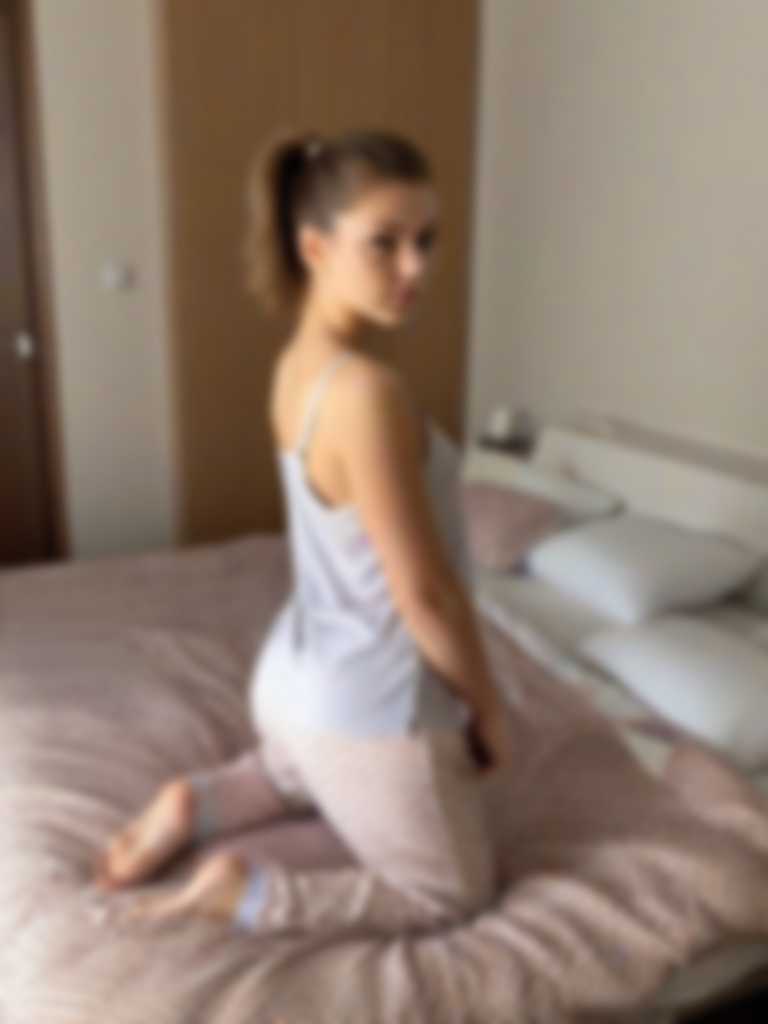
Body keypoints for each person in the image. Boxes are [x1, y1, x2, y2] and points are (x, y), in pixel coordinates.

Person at [92, 127, 515, 936]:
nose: (415, 268)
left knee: (300, 774)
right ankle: (240, 891)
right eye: (384, 242)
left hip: (292, 684)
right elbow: (426, 595)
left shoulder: (300, 367)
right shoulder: (369, 391)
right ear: (315, 246)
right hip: (372, 709)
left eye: (427, 240)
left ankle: (198, 803)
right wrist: (488, 707)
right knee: (455, 895)